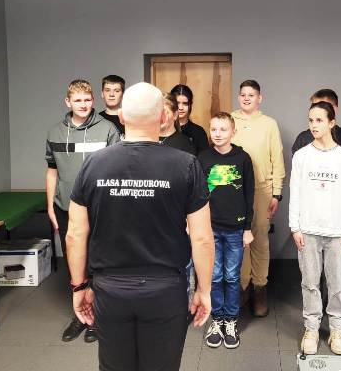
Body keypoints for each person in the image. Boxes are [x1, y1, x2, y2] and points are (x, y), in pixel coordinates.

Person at [65, 82, 215, 371]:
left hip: (110, 290)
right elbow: (202, 239)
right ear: (164, 117)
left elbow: (75, 235)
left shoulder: (93, 164)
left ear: (122, 117)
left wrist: (79, 286)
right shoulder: (187, 165)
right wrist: (204, 290)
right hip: (165, 291)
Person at [45, 79, 120, 343]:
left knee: (98, 262)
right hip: (66, 208)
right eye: (77, 100)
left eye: (87, 100)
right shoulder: (55, 132)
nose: (83, 104)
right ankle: (80, 315)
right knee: (74, 263)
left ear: (93, 101)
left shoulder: (108, 129)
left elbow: (117, 171)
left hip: (100, 209)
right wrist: (50, 205)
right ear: (68, 102)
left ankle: (97, 316)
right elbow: (52, 171)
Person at [289, 102, 341, 356]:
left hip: (336, 231)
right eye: (311, 120)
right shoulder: (301, 156)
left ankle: (337, 329)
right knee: (310, 282)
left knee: (336, 283)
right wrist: (295, 227)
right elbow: (295, 192)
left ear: (331, 123)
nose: (314, 125)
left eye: (319, 120)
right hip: (307, 229)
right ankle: (312, 328)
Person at [198, 112, 255, 349]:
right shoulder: (202, 158)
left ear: (233, 132)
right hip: (209, 229)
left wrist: (247, 228)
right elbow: (197, 196)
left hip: (235, 230)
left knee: (232, 277)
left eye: (223, 129)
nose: (218, 134)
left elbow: (249, 195)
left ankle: (231, 320)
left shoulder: (243, 158)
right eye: (213, 129)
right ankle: (217, 319)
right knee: (214, 277)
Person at [231, 79, 285, 317]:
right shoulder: (230, 120)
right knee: (239, 239)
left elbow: (277, 159)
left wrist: (276, 193)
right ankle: (243, 286)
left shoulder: (269, 124)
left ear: (259, 98)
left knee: (260, 238)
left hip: (262, 189)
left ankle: (260, 287)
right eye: (243, 94)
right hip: (234, 188)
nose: (246, 98)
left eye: (251, 95)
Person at [291, 89, 341, 182]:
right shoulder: (302, 139)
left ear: (334, 109)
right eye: (313, 106)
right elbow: (297, 176)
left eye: (321, 105)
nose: (316, 109)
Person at [171, 84, 210, 154]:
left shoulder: (199, 132)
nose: (180, 108)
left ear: (190, 105)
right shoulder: (163, 129)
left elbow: (204, 157)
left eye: (185, 103)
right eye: (177, 103)